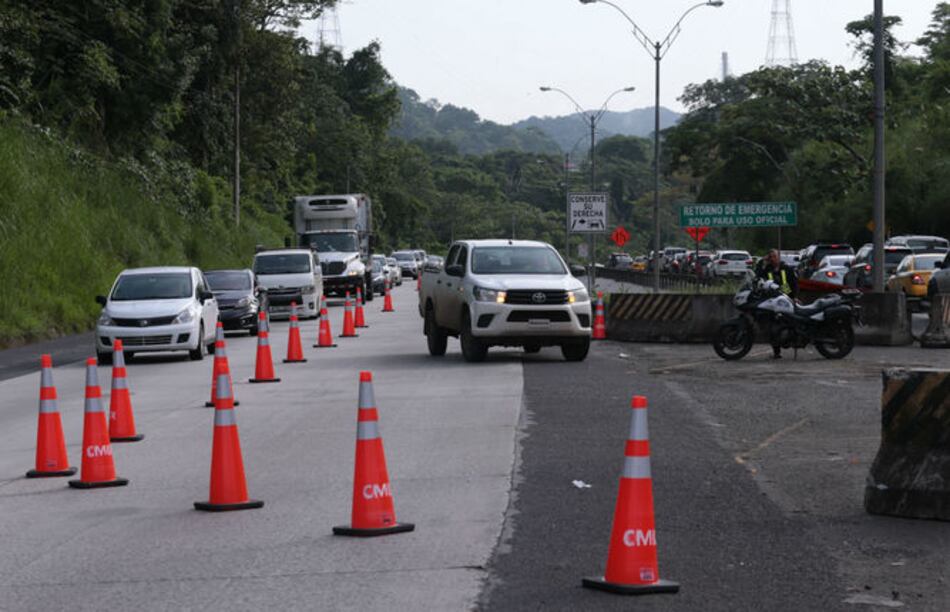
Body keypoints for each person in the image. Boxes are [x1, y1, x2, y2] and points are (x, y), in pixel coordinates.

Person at [756, 249, 798, 359]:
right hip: (772, 300)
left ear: (779, 257)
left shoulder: (786, 268)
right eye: (770, 257)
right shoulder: (768, 269)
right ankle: (776, 352)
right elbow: (758, 276)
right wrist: (762, 261)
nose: (772, 259)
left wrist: (795, 297)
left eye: (774, 256)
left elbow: (794, 284)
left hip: (786, 299)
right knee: (772, 327)